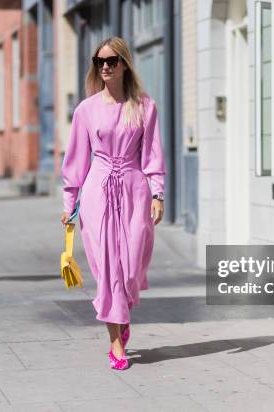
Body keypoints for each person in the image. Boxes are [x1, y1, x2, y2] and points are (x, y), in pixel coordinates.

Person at [60, 37, 166, 370]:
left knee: (132, 265)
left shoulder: (145, 106)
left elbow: (152, 154)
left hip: (135, 191)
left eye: (111, 61)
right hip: (97, 195)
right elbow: (76, 160)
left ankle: (122, 312)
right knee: (107, 269)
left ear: (124, 64)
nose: (104, 66)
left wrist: (158, 193)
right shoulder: (86, 110)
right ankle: (115, 342)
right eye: (99, 61)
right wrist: (69, 203)